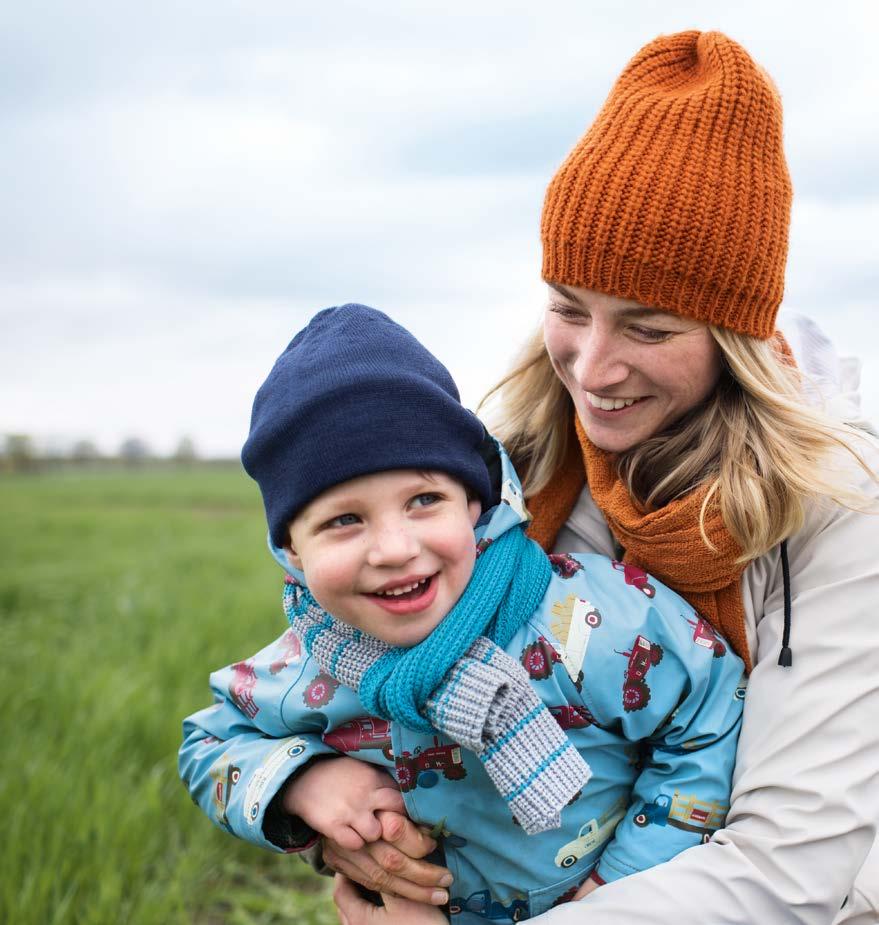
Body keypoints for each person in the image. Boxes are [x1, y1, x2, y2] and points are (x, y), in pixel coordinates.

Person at [317, 31, 879, 925]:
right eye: (568, 309)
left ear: (733, 338)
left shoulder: (840, 502)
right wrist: (337, 808)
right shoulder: (513, 473)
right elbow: (370, 670)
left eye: (649, 328)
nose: (592, 367)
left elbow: (789, 865)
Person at [178, 304, 746, 922]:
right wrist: (301, 782)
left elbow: (710, 711)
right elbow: (207, 742)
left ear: (474, 502)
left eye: (424, 500)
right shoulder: (304, 665)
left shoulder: (594, 621)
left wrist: (627, 882)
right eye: (344, 520)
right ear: (291, 549)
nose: (394, 548)